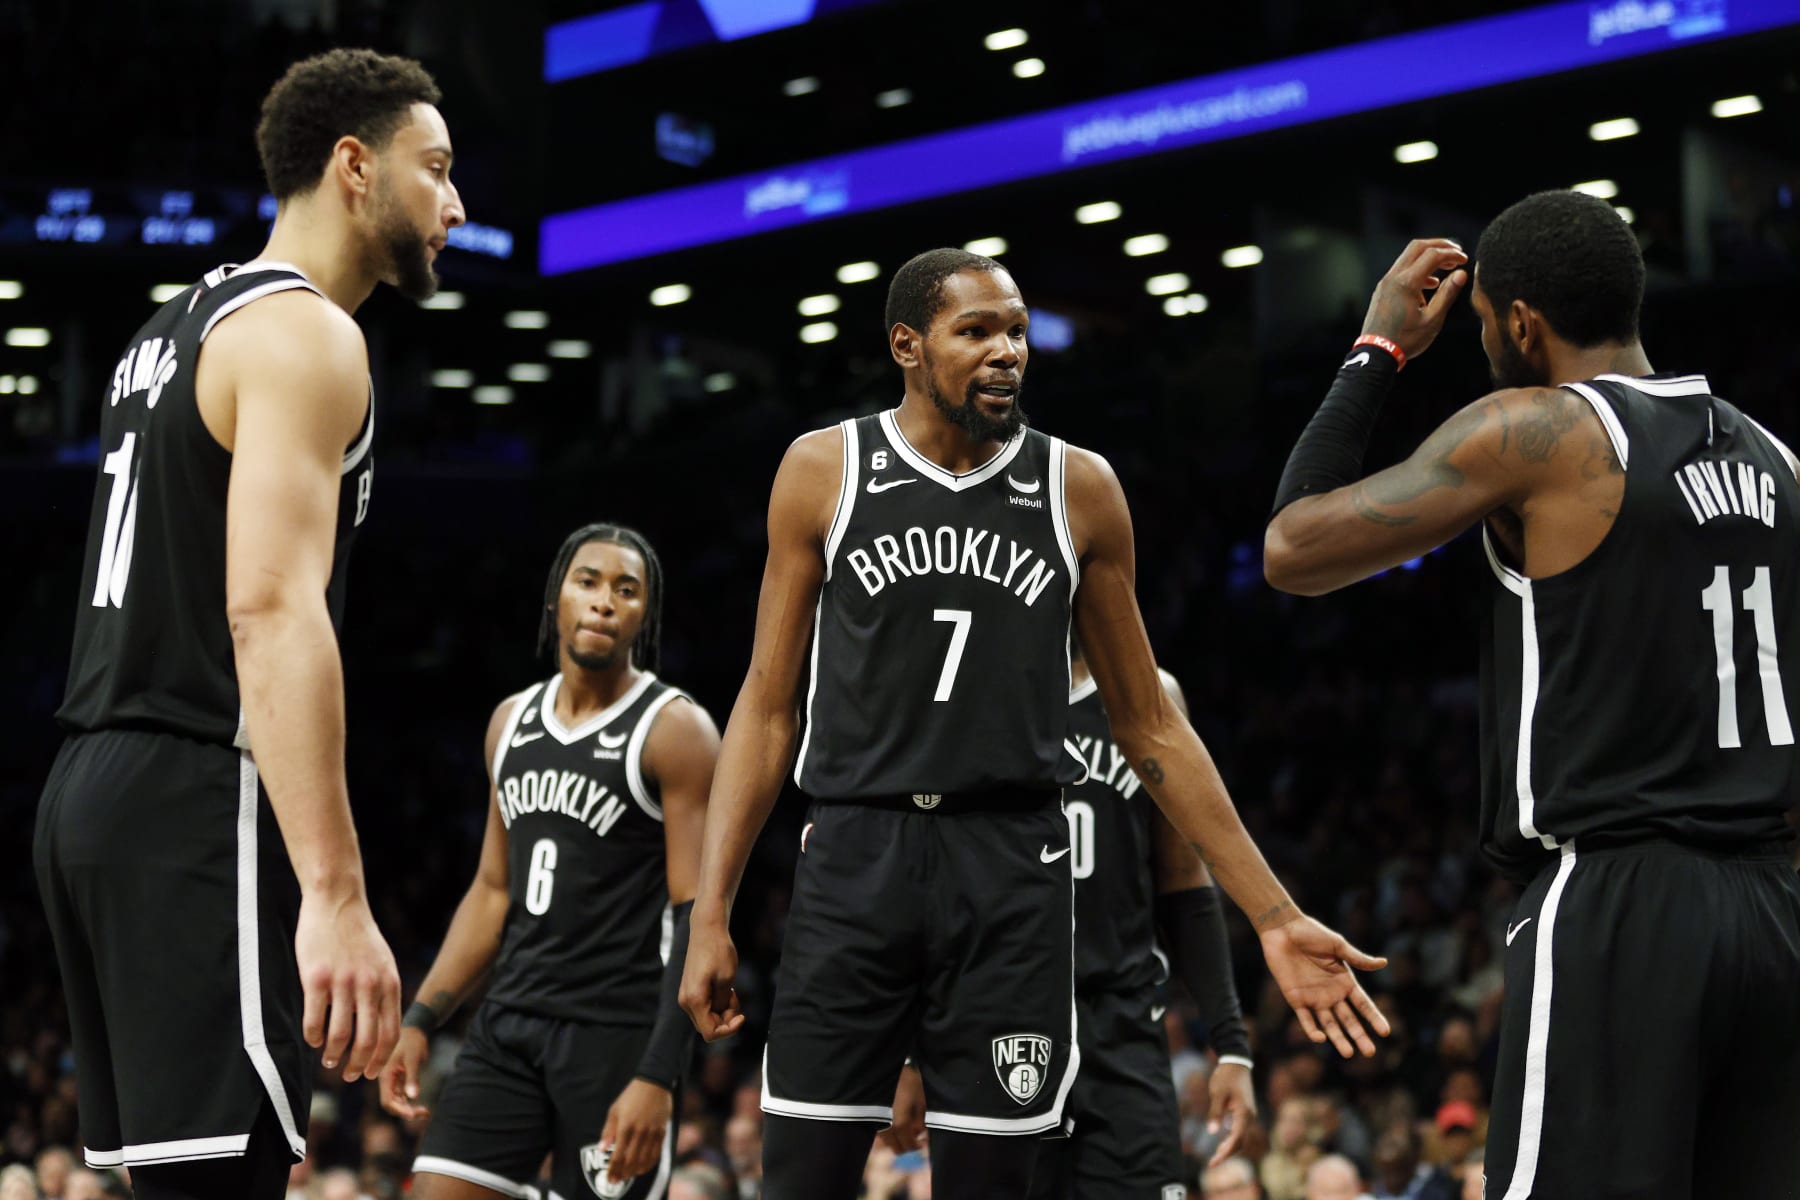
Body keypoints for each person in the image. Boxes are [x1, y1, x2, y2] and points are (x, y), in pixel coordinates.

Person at [680, 247, 1388, 1199]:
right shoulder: (823, 469)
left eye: (1016, 330)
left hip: (1010, 867)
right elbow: (767, 705)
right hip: (855, 855)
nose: (1007, 350)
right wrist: (712, 912)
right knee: (801, 1179)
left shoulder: (1079, 487)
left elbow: (1152, 727)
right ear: (908, 346)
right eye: (976, 331)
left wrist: (1274, 913)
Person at [1264, 188, 1800, 1197]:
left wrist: (1376, 351)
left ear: (1522, 323)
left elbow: (1293, 549)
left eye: (1480, 327)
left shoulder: (1541, 432)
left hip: (1620, 897)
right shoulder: (1779, 462)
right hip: (1772, 908)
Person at [33, 48, 463, 1200]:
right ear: (353, 166)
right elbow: (269, 609)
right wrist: (335, 895)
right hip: (192, 794)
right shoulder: (310, 336)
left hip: (89, 788)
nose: (456, 206)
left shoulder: (167, 330)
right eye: (436, 170)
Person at [379, 525, 720, 1199]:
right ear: (554, 600)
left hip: (615, 1039)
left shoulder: (675, 730)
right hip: (509, 1025)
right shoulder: (510, 722)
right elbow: (491, 890)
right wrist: (421, 1018)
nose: (603, 602)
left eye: (627, 590)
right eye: (587, 582)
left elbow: (696, 916)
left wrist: (659, 1074)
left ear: (644, 616)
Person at [1023, 642, 1259, 1196]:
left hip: (1124, 1024)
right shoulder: (984, 690)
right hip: (1009, 1017)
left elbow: (1185, 884)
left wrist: (1230, 1044)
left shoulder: (1151, 693)